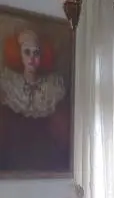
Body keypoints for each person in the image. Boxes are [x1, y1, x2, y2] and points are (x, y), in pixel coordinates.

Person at [0, 28, 71, 173]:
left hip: (47, 161)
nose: (31, 58)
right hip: (14, 162)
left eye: (36, 53)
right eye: (27, 52)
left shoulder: (52, 88)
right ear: (20, 55)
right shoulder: (10, 86)